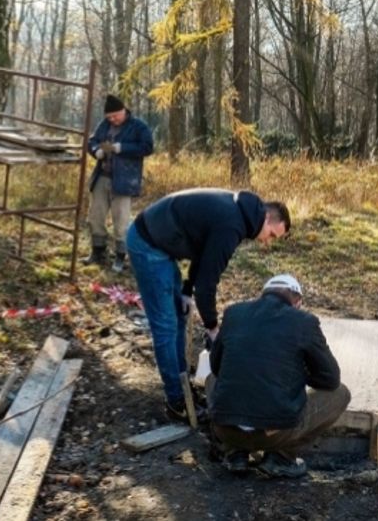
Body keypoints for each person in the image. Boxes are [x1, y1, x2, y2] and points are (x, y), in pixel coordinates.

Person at [126, 188, 291, 421]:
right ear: (266, 218)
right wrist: (213, 328)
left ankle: (183, 387)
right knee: (166, 325)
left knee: (179, 316)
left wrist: (186, 290)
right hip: (147, 244)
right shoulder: (232, 224)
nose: (267, 242)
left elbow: (203, 255)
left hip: (162, 243)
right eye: (272, 235)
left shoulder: (239, 213)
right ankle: (176, 401)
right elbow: (207, 283)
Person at [207, 274, 350, 478]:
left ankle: (234, 452)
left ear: (262, 294)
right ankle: (281, 458)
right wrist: (299, 374)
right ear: (297, 302)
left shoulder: (234, 313)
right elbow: (330, 378)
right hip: (274, 434)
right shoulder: (304, 322)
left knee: (212, 380)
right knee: (340, 394)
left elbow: (215, 367)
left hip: (225, 428)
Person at [84, 94, 153, 272]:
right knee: (95, 215)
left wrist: (122, 148)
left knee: (121, 220)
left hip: (124, 180)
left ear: (124, 111)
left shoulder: (138, 126)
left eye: (115, 116)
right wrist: (96, 151)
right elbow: (91, 141)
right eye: (109, 117)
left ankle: (120, 256)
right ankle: (98, 251)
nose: (112, 120)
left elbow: (148, 147)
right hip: (102, 176)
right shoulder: (104, 125)